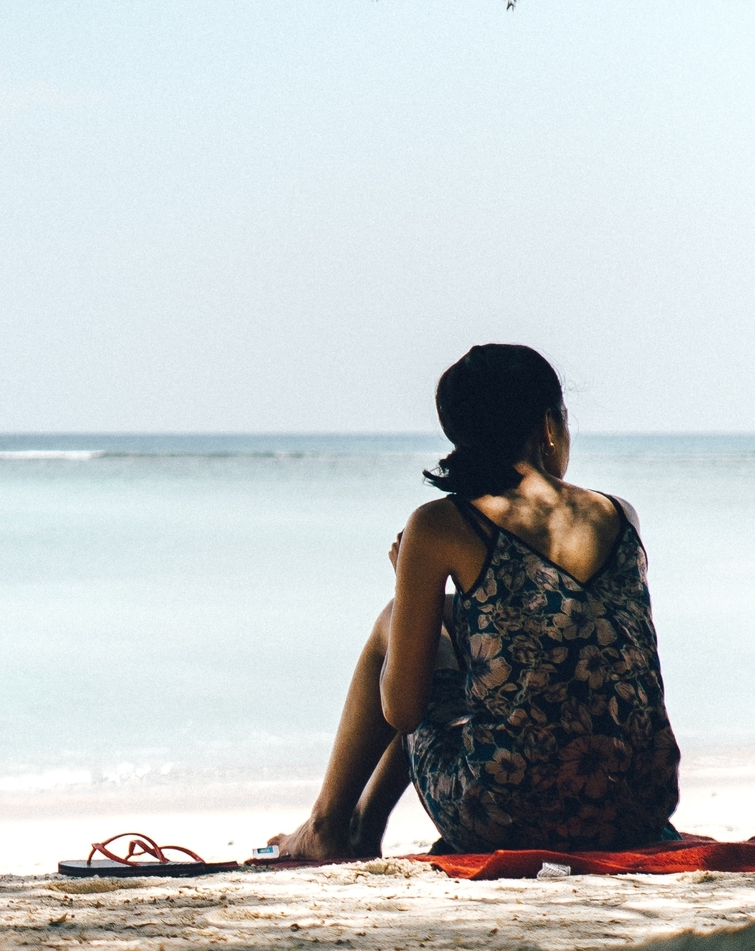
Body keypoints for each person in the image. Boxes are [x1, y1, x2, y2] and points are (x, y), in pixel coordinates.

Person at [271, 344, 680, 858]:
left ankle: (330, 826)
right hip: (639, 810)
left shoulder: (440, 523)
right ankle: (357, 828)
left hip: (507, 817)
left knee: (394, 623)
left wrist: (411, 591)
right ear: (550, 427)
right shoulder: (619, 515)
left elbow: (402, 709)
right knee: (435, 632)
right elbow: (548, 634)